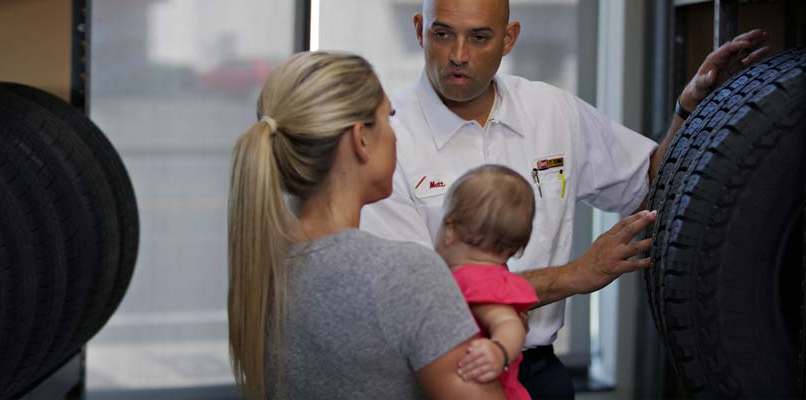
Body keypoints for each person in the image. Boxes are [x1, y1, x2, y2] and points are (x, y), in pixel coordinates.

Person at [358, 0, 771, 397]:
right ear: (420, 30)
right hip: (438, 376)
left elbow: (648, 182)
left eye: (479, 37)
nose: (459, 55)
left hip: (538, 373)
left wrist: (690, 112)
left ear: (508, 38)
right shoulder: (387, 138)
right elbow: (417, 296)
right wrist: (576, 274)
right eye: (443, 34)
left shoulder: (550, 110)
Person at [227, 51, 505, 399]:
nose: (395, 136)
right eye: (388, 118)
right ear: (360, 139)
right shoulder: (403, 273)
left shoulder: (262, 271)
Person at [435, 165, 540, 400]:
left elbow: (508, 323)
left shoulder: (474, 279)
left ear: (450, 230)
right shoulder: (494, 277)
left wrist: (499, 351)